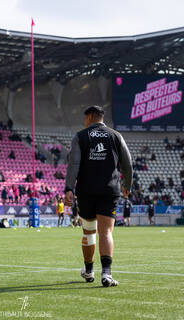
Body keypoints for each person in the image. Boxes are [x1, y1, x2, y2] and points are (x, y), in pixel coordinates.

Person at [64, 105, 132, 287]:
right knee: (106, 232)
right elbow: (128, 163)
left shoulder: (80, 136)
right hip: (109, 190)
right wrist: (127, 185)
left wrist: (69, 188)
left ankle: (89, 271)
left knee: (88, 231)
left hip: (86, 190)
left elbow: (74, 164)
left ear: (90, 117)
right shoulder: (116, 135)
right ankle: (107, 274)